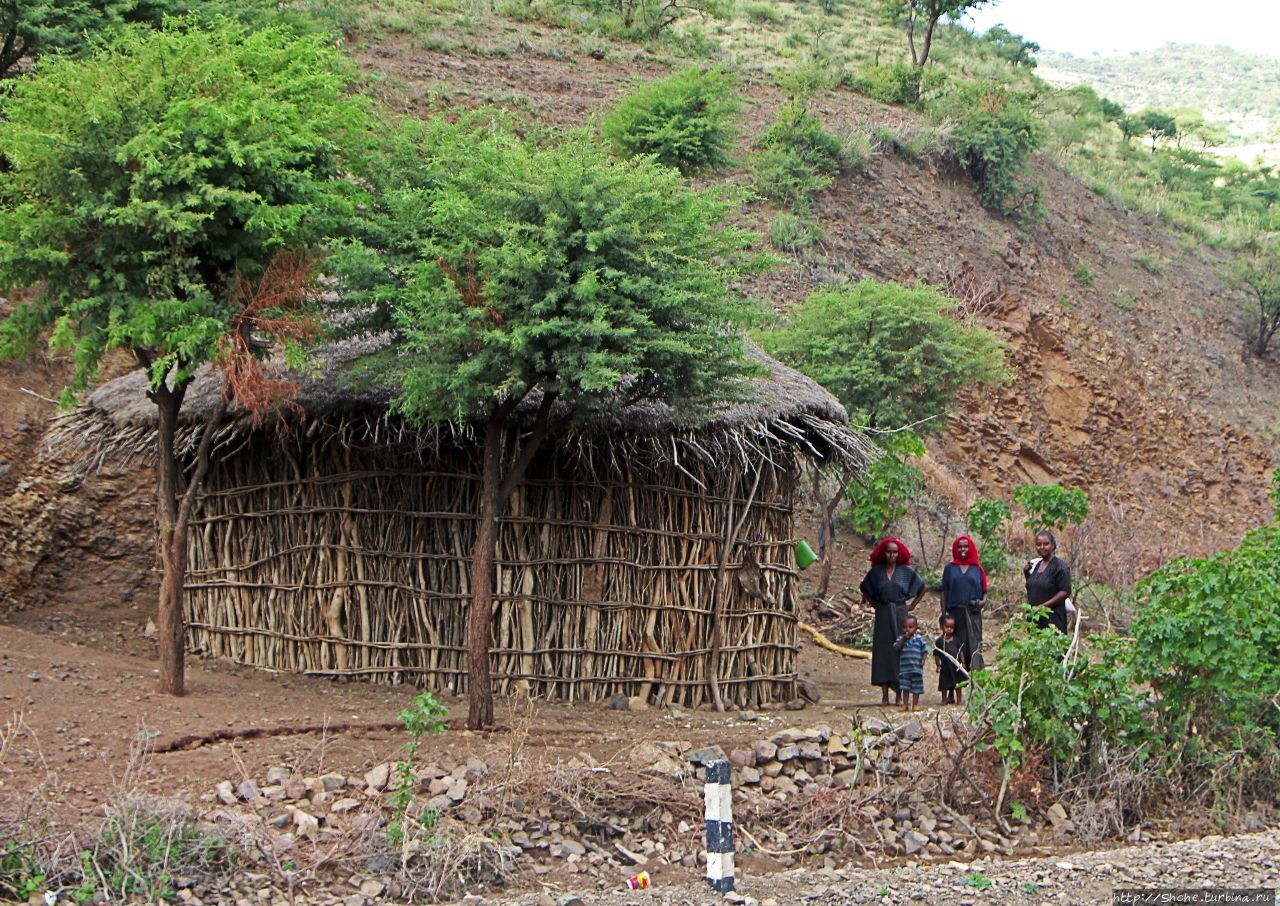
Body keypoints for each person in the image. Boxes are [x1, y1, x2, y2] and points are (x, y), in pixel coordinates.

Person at [859, 537, 926, 705]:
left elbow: (922, 587)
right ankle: (884, 695)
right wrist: (874, 604)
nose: (891, 555)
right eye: (889, 552)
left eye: (895, 552)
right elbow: (864, 587)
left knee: (900, 651)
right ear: (884, 553)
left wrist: (912, 606)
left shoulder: (905, 571)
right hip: (882, 613)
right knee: (883, 652)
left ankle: (898, 695)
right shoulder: (877, 571)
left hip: (900, 613)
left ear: (899, 554)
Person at [939, 535, 987, 671]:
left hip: (973, 614)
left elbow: (985, 592)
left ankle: (974, 679)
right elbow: (944, 592)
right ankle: (954, 681)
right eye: (959, 546)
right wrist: (944, 615)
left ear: (970, 548)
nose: (962, 549)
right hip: (955, 614)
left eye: (965, 546)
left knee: (974, 646)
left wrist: (981, 604)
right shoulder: (949, 569)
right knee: (955, 646)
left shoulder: (977, 569)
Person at [1023, 529, 1072, 632]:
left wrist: (1044, 606)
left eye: (1046, 544)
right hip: (1035, 617)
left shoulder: (1060, 566)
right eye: (1038, 544)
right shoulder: (1036, 565)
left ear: (1053, 545)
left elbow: (1065, 591)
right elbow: (1033, 587)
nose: (1042, 547)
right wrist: (1026, 573)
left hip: (1052, 619)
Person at [894, 614, 929, 712]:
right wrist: (904, 639)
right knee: (905, 687)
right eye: (905, 627)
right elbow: (896, 648)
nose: (907, 629)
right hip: (905, 669)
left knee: (916, 687)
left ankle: (915, 704)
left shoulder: (919, 639)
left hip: (916, 668)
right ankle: (905, 704)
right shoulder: (901, 639)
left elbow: (925, 651)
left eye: (910, 627)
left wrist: (923, 660)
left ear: (916, 628)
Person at [934, 613, 966, 705]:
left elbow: (960, 652)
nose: (949, 629)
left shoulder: (956, 640)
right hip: (945, 667)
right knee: (944, 684)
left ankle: (959, 700)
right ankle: (944, 699)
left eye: (952, 627)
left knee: (958, 684)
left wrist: (962, 663)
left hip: (956, 666)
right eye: (947, 626)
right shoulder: (939, 641)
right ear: (941, 626)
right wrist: (938, 665)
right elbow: (937, 654)